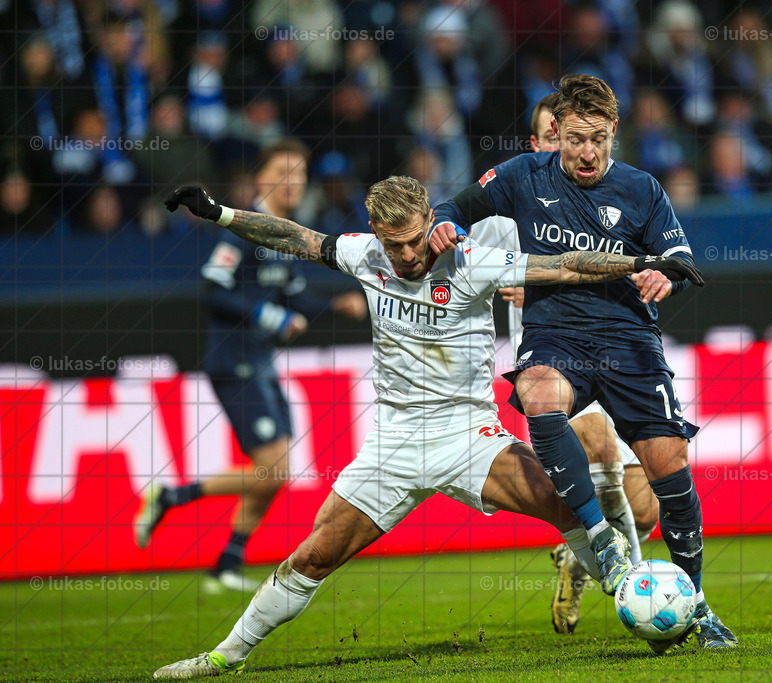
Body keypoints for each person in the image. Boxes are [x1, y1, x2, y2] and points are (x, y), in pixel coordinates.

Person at [153, 175, 696, 677]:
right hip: (393, 444)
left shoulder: (472, 260)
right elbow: (295, 236)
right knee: (314, 555)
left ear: (430, 220)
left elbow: (567, 265)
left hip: (467, 437)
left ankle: (636, 592)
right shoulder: (364, 256)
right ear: (377, 236)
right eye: (395, 245)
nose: (408, 255)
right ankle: (224, 657)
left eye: (415, 241)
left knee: (573, 507)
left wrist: (646, 261)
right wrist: (220, 213)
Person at [429, 73, 737, 650]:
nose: (586, 152)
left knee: (669, 477)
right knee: (538, 394)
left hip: (628, 341)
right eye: (574, 139)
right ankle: (599, 538)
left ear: (614, 132)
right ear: (557, 134)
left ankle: (696, 605)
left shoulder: (642, 188)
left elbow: (679, 256)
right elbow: (457, 203)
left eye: (597, 138)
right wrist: (445, 220)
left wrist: (663, 274)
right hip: (555, 334)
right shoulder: (523, 175)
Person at [134, 139, 368, 593]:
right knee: (273, 468)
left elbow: (293, 295)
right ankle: (170, 497)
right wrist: (267, 315)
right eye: (283, 172)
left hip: (260, 360)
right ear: (260, 179)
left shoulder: (282, 235)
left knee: (275, 470)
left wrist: (336, 302)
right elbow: (212, 288)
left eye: (299, 174)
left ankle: (226, 562)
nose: (293, 182)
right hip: (233, 361)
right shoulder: (238, 230)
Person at [470, 92, 660, 635]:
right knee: (598, 445)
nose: (573, 149)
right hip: (557, 363)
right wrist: (501, 282)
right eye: (558, 138)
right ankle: (634, 588)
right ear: (538, 144)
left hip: (618, 356)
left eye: (584, 138)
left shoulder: (614, 197)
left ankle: (578, 562)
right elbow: (457, 278)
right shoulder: (506, 209)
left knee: (643, 513)